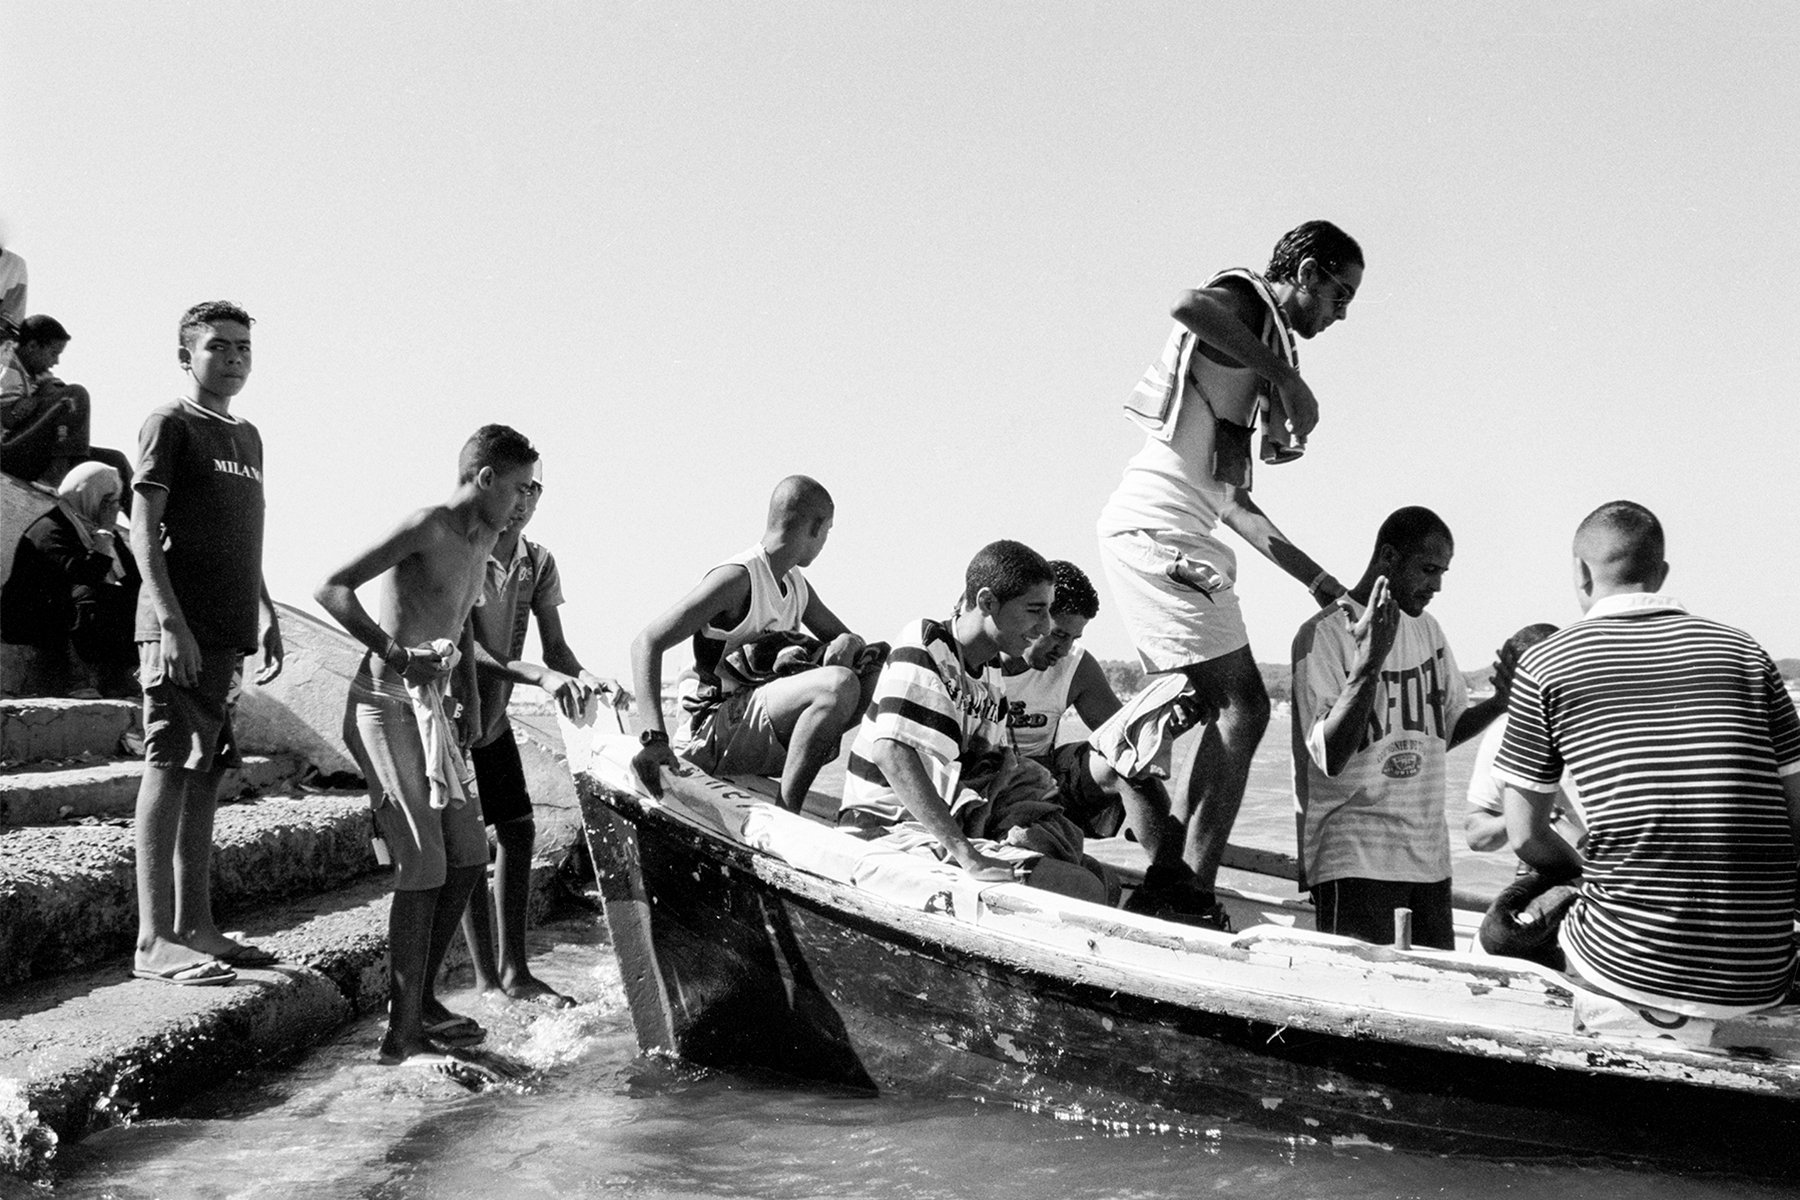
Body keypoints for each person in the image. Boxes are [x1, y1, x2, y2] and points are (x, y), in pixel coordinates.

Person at [1095, 220, 1363, 930]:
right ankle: (1182, 890)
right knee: (1244, 707)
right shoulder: (1247, 303)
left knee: (1207, 704)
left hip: (1179, 533)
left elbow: (1235, 503)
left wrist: (1319, 581)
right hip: (1158, 531)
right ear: (1306, 272)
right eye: (1341, 293)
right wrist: (1284, 377)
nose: (1341, 313)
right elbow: (1187, 302)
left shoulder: (1260, 345)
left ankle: (1141, 823)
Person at [1494, 500, 1800, 1016]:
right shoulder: (1746, 651)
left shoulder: (1549, 662)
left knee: (1504, 924)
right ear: (1660, 574)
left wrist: (1585, 873)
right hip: (1761, 968)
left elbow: (1524, 834)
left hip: (1628, 966)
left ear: (1581, 574)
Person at [316, 424, 540, 1066]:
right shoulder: (429, 525)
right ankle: (401, 1033)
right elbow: (331, 587)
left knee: (469, 856)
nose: (526, 502)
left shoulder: (490, 540)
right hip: (384, 706)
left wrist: (467, 697)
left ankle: (422, 1004)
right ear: (487, 477)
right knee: (424, 866)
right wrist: (397, 654)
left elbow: (463, 625)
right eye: (521, 487)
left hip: (438, 715)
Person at [130, 301, 284, 987]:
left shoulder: (247, 435)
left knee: (205, 772)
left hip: (227, 633)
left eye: (243, 347)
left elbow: (239, 531)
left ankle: (197, 928)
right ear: (186, 355)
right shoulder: (171, 424)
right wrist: (169, 622)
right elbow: (142, 529)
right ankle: (152, 940)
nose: (234, 358)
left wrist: (268, 610)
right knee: (168, 766)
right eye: (218, 346)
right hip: (179, 630)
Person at [837, 540, 1106, 902]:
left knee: (1102, 878)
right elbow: (892, 753)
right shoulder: (928, 644)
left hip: (947, 829)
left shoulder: (990, 671)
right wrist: (969, 856)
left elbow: (987, 770)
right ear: (987, 602)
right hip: (889, 829)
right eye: (1035, 611)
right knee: (1082, 888)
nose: (1044, 627)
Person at [1290, 507, 1510, 949]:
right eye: (1428, 569)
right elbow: (1330, 757)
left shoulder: (1429, 631)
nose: (1437, 586)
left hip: (1428, 856)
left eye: (1443, 572)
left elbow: (1442, 733)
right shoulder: (1325, 634)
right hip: (1354, 856)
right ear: (1388, 557)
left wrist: (1501, 703)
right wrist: (1370, 662)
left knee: (1432, 996)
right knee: (1357, 1002)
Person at [460, 457, 622, 1007]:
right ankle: (486, 979)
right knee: (463, 847)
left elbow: (556, 649)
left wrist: (585, 676)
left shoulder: (539, 561)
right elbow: (470, 652)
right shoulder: (465, 550)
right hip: (452, 717)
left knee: (518, 829)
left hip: (494, 718)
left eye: (536, 490)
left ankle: (516, 971)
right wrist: (538, 675)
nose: (525, 500)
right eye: (519, 488)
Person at [629, 475, 876, 812]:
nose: (825, 540)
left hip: (753, 729)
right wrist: (655, 738)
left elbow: (853, 644)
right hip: (710, 733)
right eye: (828, 531)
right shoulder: (738, 579)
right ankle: (789, 813)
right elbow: (647, 642)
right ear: (817, 527)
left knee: (874, 667)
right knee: (838, 686)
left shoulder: (795, 584)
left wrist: (849, 640)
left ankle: (870, 800)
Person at [999, 560, 1209, 918]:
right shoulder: (979, 657)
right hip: (988, 787)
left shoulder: (1076, 666)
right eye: (1058, 635)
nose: (1063, 650)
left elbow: (1125, 739)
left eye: (1074, 639)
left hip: (1046, 784)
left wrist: (1167, 726)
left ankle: (1168, 884)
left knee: (1125, 760)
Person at [2, 462, 140, 697]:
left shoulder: (99, 529)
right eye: (108, 500)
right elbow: (87, 574)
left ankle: (119, 676)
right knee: (91, 594)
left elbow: (134, 577)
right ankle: (77, 678)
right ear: (90, 496)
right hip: (31, 617)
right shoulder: (50, 529)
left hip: (66, 612)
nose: (114, 508)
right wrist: (104, 535)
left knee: (131, 597)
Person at [1463, 623, 1583, 862]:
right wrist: (1528, 815)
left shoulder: (1598, 722)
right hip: (1550, 872)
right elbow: (1476, 835)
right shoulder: (1504, 734)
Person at [1, 315, 135, 505]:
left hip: (32, 453)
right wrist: (37, 400)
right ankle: (55, 476)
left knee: (115, 461)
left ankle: (151, 526)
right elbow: (8, 418)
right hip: (7, 451)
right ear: (32, 347)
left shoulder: (35, 372)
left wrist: (41, 397)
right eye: (53, 353)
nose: (56, 362)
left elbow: (57, 398)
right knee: (74, 395)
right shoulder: (7, 364)